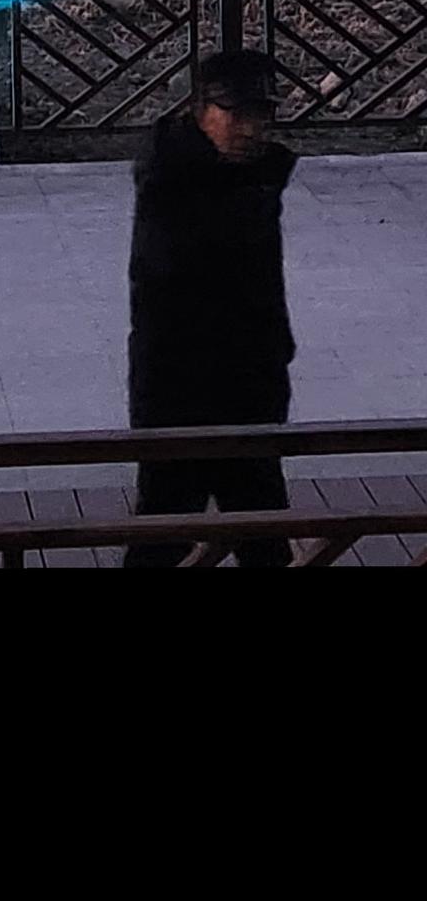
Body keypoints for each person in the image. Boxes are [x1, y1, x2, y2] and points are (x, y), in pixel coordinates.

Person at [124, 51, 296, 569]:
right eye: (234, 114)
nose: (249, 129)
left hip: (250, 383)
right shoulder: (173, 180)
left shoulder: (250, 177)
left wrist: (275, 356)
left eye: (260, 115)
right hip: (180, 390)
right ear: (199, 111)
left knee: (261, 532)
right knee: (167, 530)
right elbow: (176, 275)